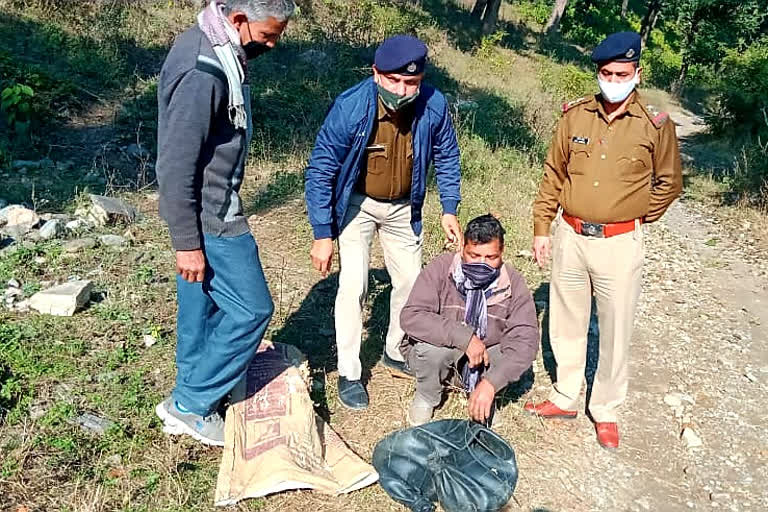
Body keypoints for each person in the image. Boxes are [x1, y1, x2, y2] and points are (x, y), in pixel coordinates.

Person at [526, 31, 683, 449]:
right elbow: (553, 174)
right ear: (597, 72)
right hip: (571, 235)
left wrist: (635, 213)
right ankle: (565, 394)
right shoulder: (575, 116)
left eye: (622, 73)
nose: (613, 80)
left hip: (619, 243)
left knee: (615, 330)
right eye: (606, 73)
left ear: (637, 73)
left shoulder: (654, 123)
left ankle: (606, 408)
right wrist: (543, 228)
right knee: (566, 321)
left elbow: (669, 181)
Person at [154, 0, 295, 446]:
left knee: (202, 305)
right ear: (238, 20)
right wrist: (187, 242)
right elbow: (175, 165)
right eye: (269, 35)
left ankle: (194, 385)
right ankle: (191, 404)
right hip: (213, 216)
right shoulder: (204, 70)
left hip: (208, 209)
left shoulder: (214, 44)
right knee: (253, 308)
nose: (273, 44)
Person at [304, 35, 463, 410]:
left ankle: (394, 349)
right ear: (376, 74)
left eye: (412, 82)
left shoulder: (433, 104)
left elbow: (447, 157)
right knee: (354, 284)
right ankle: (349, 372)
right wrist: (322, 233)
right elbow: (321, 169)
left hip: (404, 207)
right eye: (394, 81)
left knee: (410, 283)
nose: (403, 90)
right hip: (357, 205)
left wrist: (450, 207)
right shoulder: (351, 106)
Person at [399, 215, 539, 426]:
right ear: (462, 246)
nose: (482, 264)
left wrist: (491, 383)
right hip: (444, 353)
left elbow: (525, 340)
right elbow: (412, 316)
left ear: (502, 252)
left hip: (486, 358)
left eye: (491, 257)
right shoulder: (441, 268)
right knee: (431, 351)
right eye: (474, 255)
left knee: (509, 354)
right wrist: (464, 337)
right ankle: (427, 396)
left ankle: (482, 393)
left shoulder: (513, 282)